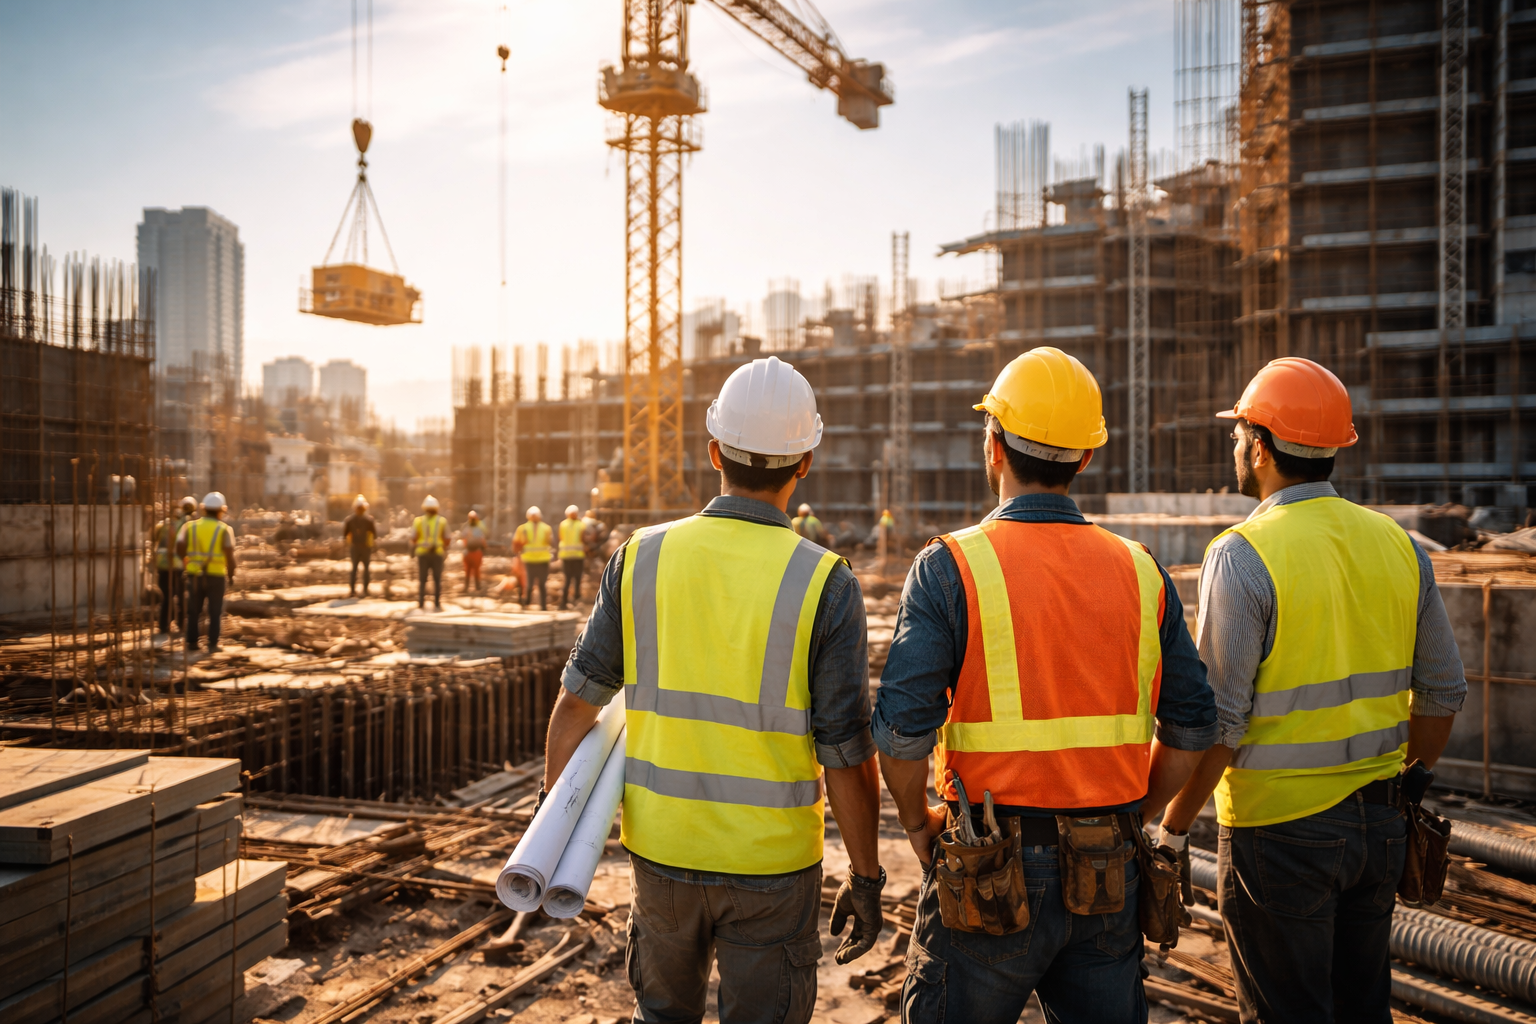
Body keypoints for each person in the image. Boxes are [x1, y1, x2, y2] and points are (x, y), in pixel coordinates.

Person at [873, 347, 1218, 1024]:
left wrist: (918, 824)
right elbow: (1195, 726)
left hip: (987, 858)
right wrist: (1131, 816)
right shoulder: (1141, 571)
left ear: (992, 445)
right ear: (1086, 458)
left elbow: (900, 733)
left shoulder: (951, 567)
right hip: (1108, 870)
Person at [547, 355, 884, 1024]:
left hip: (663, 856)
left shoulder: (641, 557)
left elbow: (575, 709)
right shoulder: (826, 583)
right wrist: (867, 877)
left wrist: (555, 841)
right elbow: (845, 753)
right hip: (773, 868)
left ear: (712, 452)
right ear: (806, 461)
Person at [1159, 357, 1467, 1023]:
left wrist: (1174, 828)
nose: (1236, 447)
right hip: (1381, 824)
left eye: (1240, 434)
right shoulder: (1399, 545)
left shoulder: (1241, 554)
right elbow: (1443, 691)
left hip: (1280, 836)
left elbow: (1221, 726)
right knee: (1363, 1010)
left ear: (1263, 446)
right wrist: (1407, 784)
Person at [176, 491, 237, 654]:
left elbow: (179, 547)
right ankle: (212, 644)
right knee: (215, 612)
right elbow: (230, 556)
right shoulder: (224, 529)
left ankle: (192, 643)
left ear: (203, 509)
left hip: (194, 574)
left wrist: (187, 561)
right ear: (220, 510)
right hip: (216, 576)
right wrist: (231, 576)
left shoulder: (189, 526)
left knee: (193, 610)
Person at [152, 495, 197, 634]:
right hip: (178, 564)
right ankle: (182, 625)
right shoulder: (185, 524)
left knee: (166, 596)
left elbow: (154, 540)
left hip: (162, 564)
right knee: (181, 595)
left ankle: (163, 626)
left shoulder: (161, 524)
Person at [513, 505, 554, 610]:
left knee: (536, 584)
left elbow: (516, 545)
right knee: (535, 584)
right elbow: (551, 542)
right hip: (534, 560)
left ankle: (533, 604)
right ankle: (535, 604)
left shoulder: (523, 528)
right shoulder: (545, 528)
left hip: (536, 560)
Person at [414, 495, 447, 610]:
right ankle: (437, 603)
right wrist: (445, 550)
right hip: (437, 553)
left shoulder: (418, 521)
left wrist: (413, 549)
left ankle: (421, 603)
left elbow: (413, 538)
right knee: (437, 579)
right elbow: (447, 538)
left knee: (422, 580)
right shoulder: (441, 521)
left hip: (422, 554)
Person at [343, 495, 377, 598]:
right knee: (366, 569)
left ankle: (353, 591)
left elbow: (345, 534)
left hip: (355, 547)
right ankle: (365, 591)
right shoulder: (369, 520)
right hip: (366, 547)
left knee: (354, 569)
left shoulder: (349, 520)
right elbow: (374, 534)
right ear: (364, 508)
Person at [556, 504, 586, 609]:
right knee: (577, 580)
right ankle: (576, 601)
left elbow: (560, 538)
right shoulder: (581, 525)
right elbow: (583, 538)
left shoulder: (562, 524)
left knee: (567, 580)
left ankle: (563, 603)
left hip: (566, 556)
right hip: (578, 556)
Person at [462, 510, 487, 593]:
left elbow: (464, 540)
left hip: (469, 552)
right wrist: (484, 548)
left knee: (468, 570)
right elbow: (482, 540)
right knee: (476, 570)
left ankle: (467, 587)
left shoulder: (466, 529)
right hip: (476, 552)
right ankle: (477, 587)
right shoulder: (479, 529)